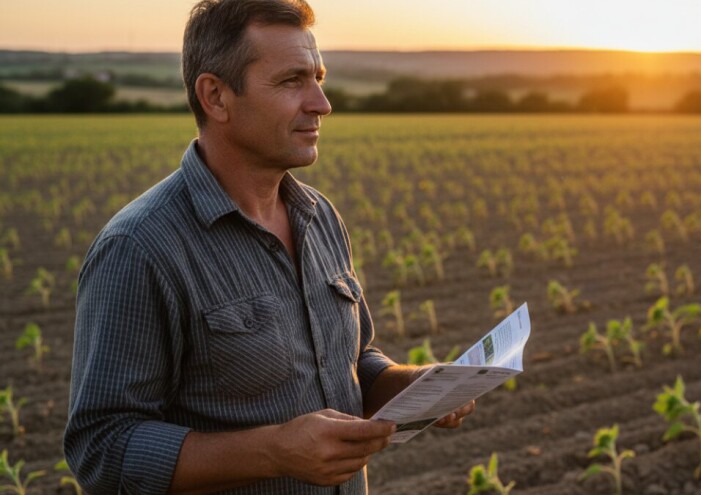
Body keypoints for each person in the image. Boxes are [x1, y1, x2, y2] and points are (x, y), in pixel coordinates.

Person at [63, 1, 475, 493]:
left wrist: (408, 384)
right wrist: (274, 451)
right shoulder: (140, 247)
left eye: (318, 78)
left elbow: (349, 363)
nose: (321, 103)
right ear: (216, 97)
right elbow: (101, 448)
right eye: (291, 81)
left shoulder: (319, 217)